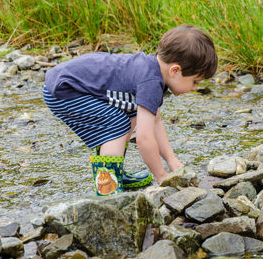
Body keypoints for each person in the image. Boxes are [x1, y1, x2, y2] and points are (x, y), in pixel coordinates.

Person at [43, 25, 218, 196]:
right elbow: (144, 138)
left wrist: (172, 161)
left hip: (72, 83)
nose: (195, 87)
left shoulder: (153, 71)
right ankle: (108, 187)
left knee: (132, 113)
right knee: (117, 124)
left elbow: (155, 122)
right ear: (175, 70)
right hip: (64, 89)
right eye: (195, 81)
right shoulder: (151, 82)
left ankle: (115, 173)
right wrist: (161, 176)